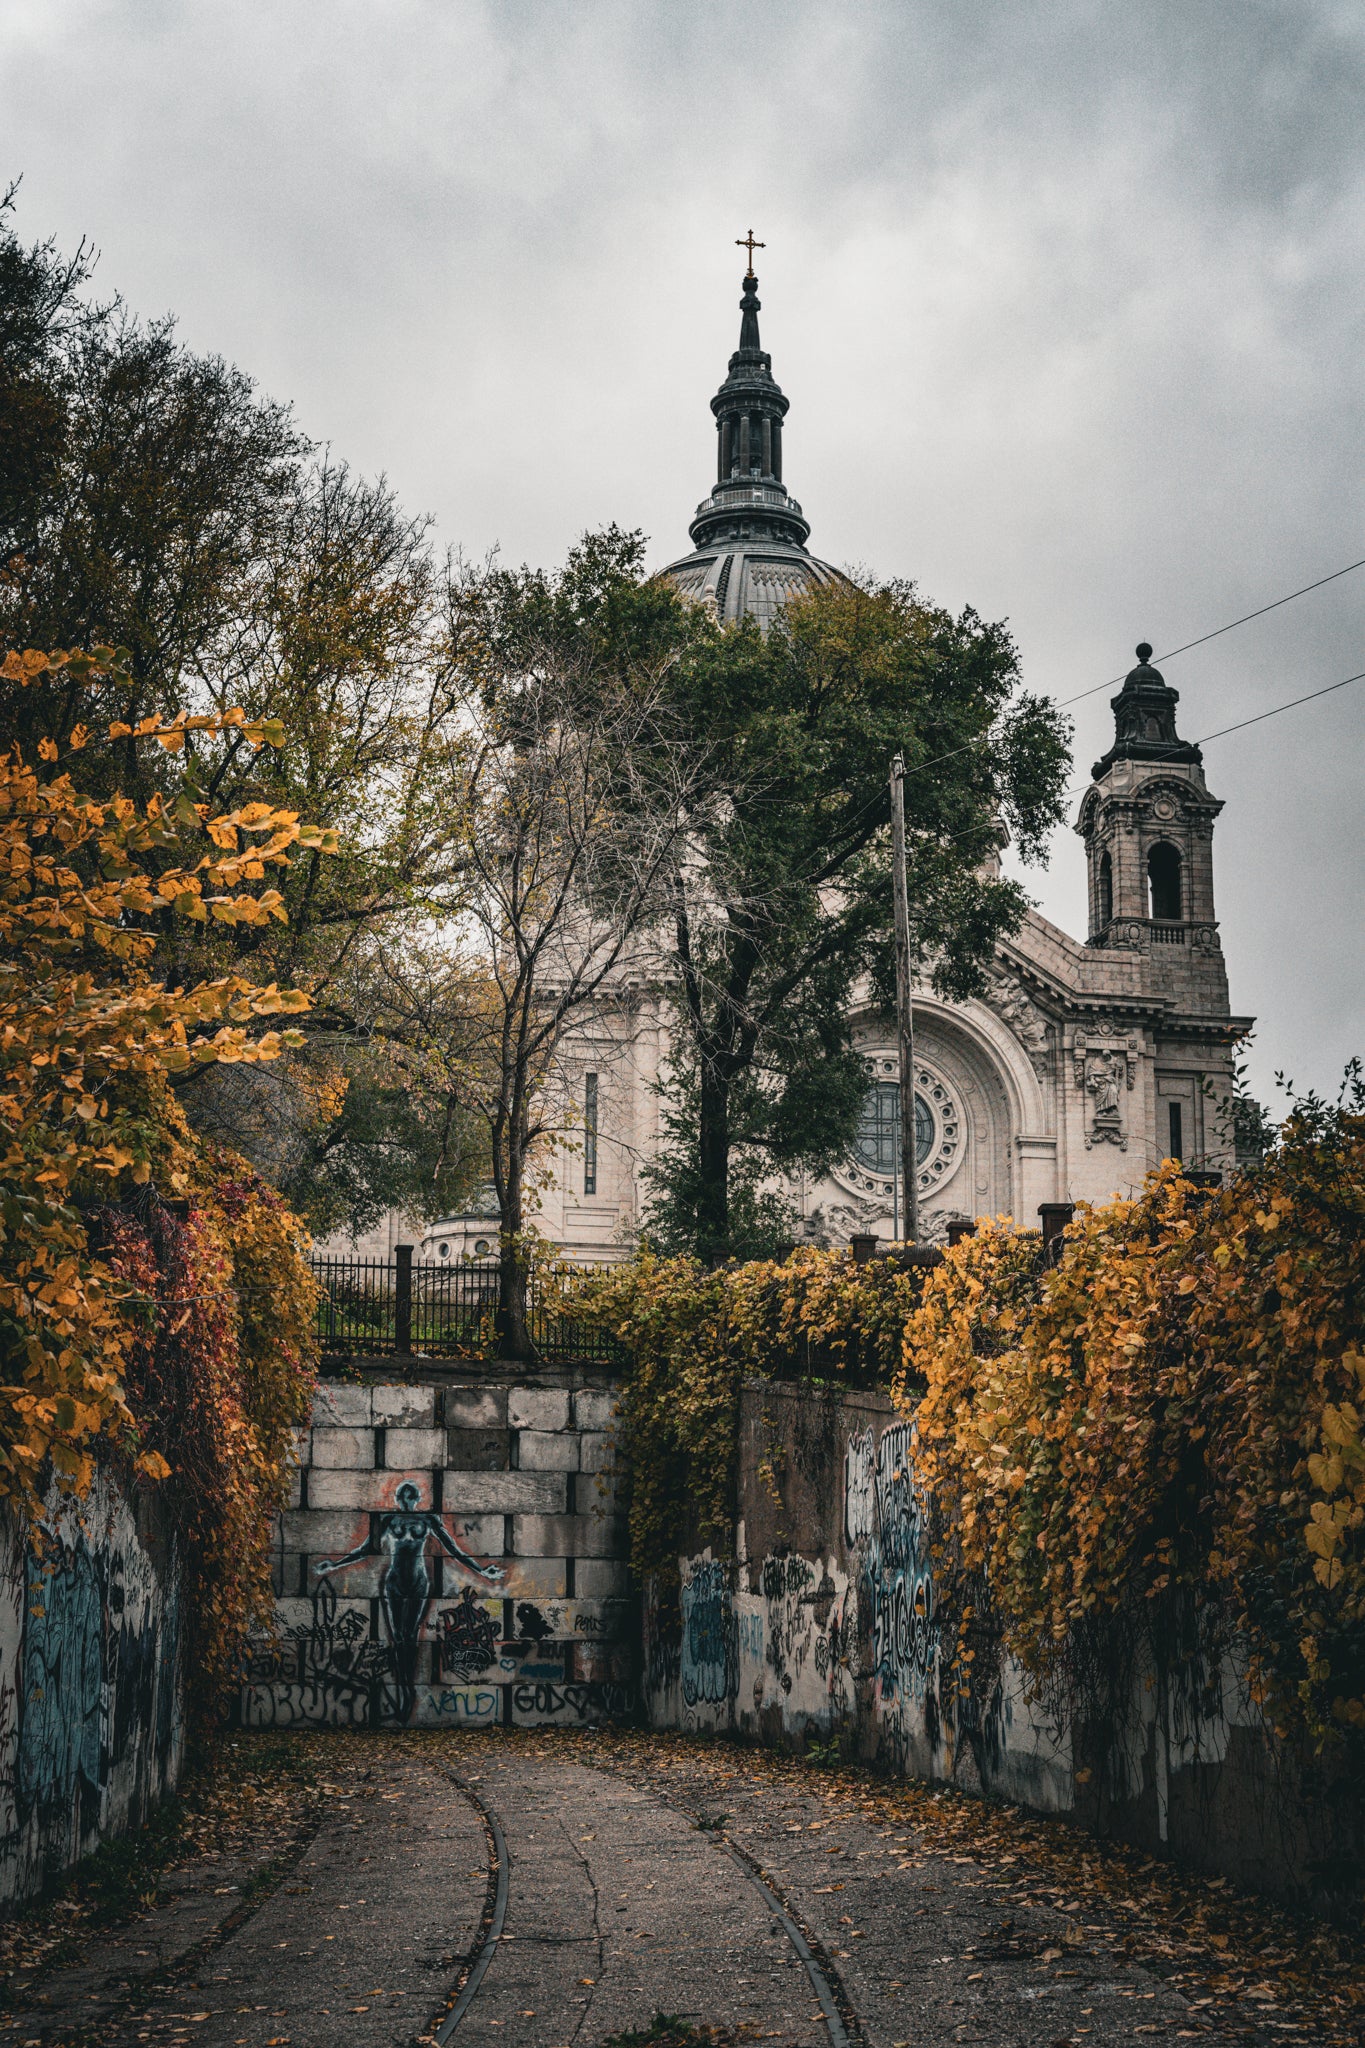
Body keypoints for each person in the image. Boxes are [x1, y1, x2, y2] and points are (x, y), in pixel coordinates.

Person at [315, 1481, 503, 1721]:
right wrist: (335, 1564)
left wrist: (481, 1570)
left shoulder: (428, 1520)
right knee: (398, 1636)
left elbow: (454, 1550)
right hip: (395, 1581)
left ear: (416, 1498)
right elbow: (366, 1549)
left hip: (417, 1582)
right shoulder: (389, 1520)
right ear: (398, 1499)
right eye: (402, 1496)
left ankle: (408, 1691)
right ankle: (405, 1688)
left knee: (410, 1635)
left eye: (410, 1495)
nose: (406, 1500)